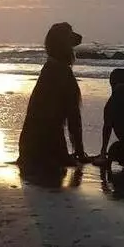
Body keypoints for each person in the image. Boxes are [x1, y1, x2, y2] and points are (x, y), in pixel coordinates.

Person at [17, 23, 91, 180]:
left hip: (28, 148)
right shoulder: (62, 73)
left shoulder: (49, 70)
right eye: (70, 34)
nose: (77, 37)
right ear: (62, 42)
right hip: (48, 147)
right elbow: (73, 117)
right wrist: (80, 152)